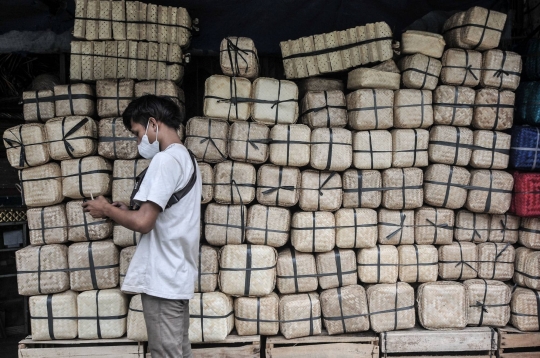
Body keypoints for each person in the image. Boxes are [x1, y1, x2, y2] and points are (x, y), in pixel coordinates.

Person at [83, 95, 201, 358]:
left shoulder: (165, 160)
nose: (138, 141)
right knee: (179, 352)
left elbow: (144, 222)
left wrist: (106, 209)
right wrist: (124, 210)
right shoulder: (187, 158)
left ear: (152, 124)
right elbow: (161, 213)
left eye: (137, 133)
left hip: (163, 278)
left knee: (165, 354)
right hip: (178, 274)